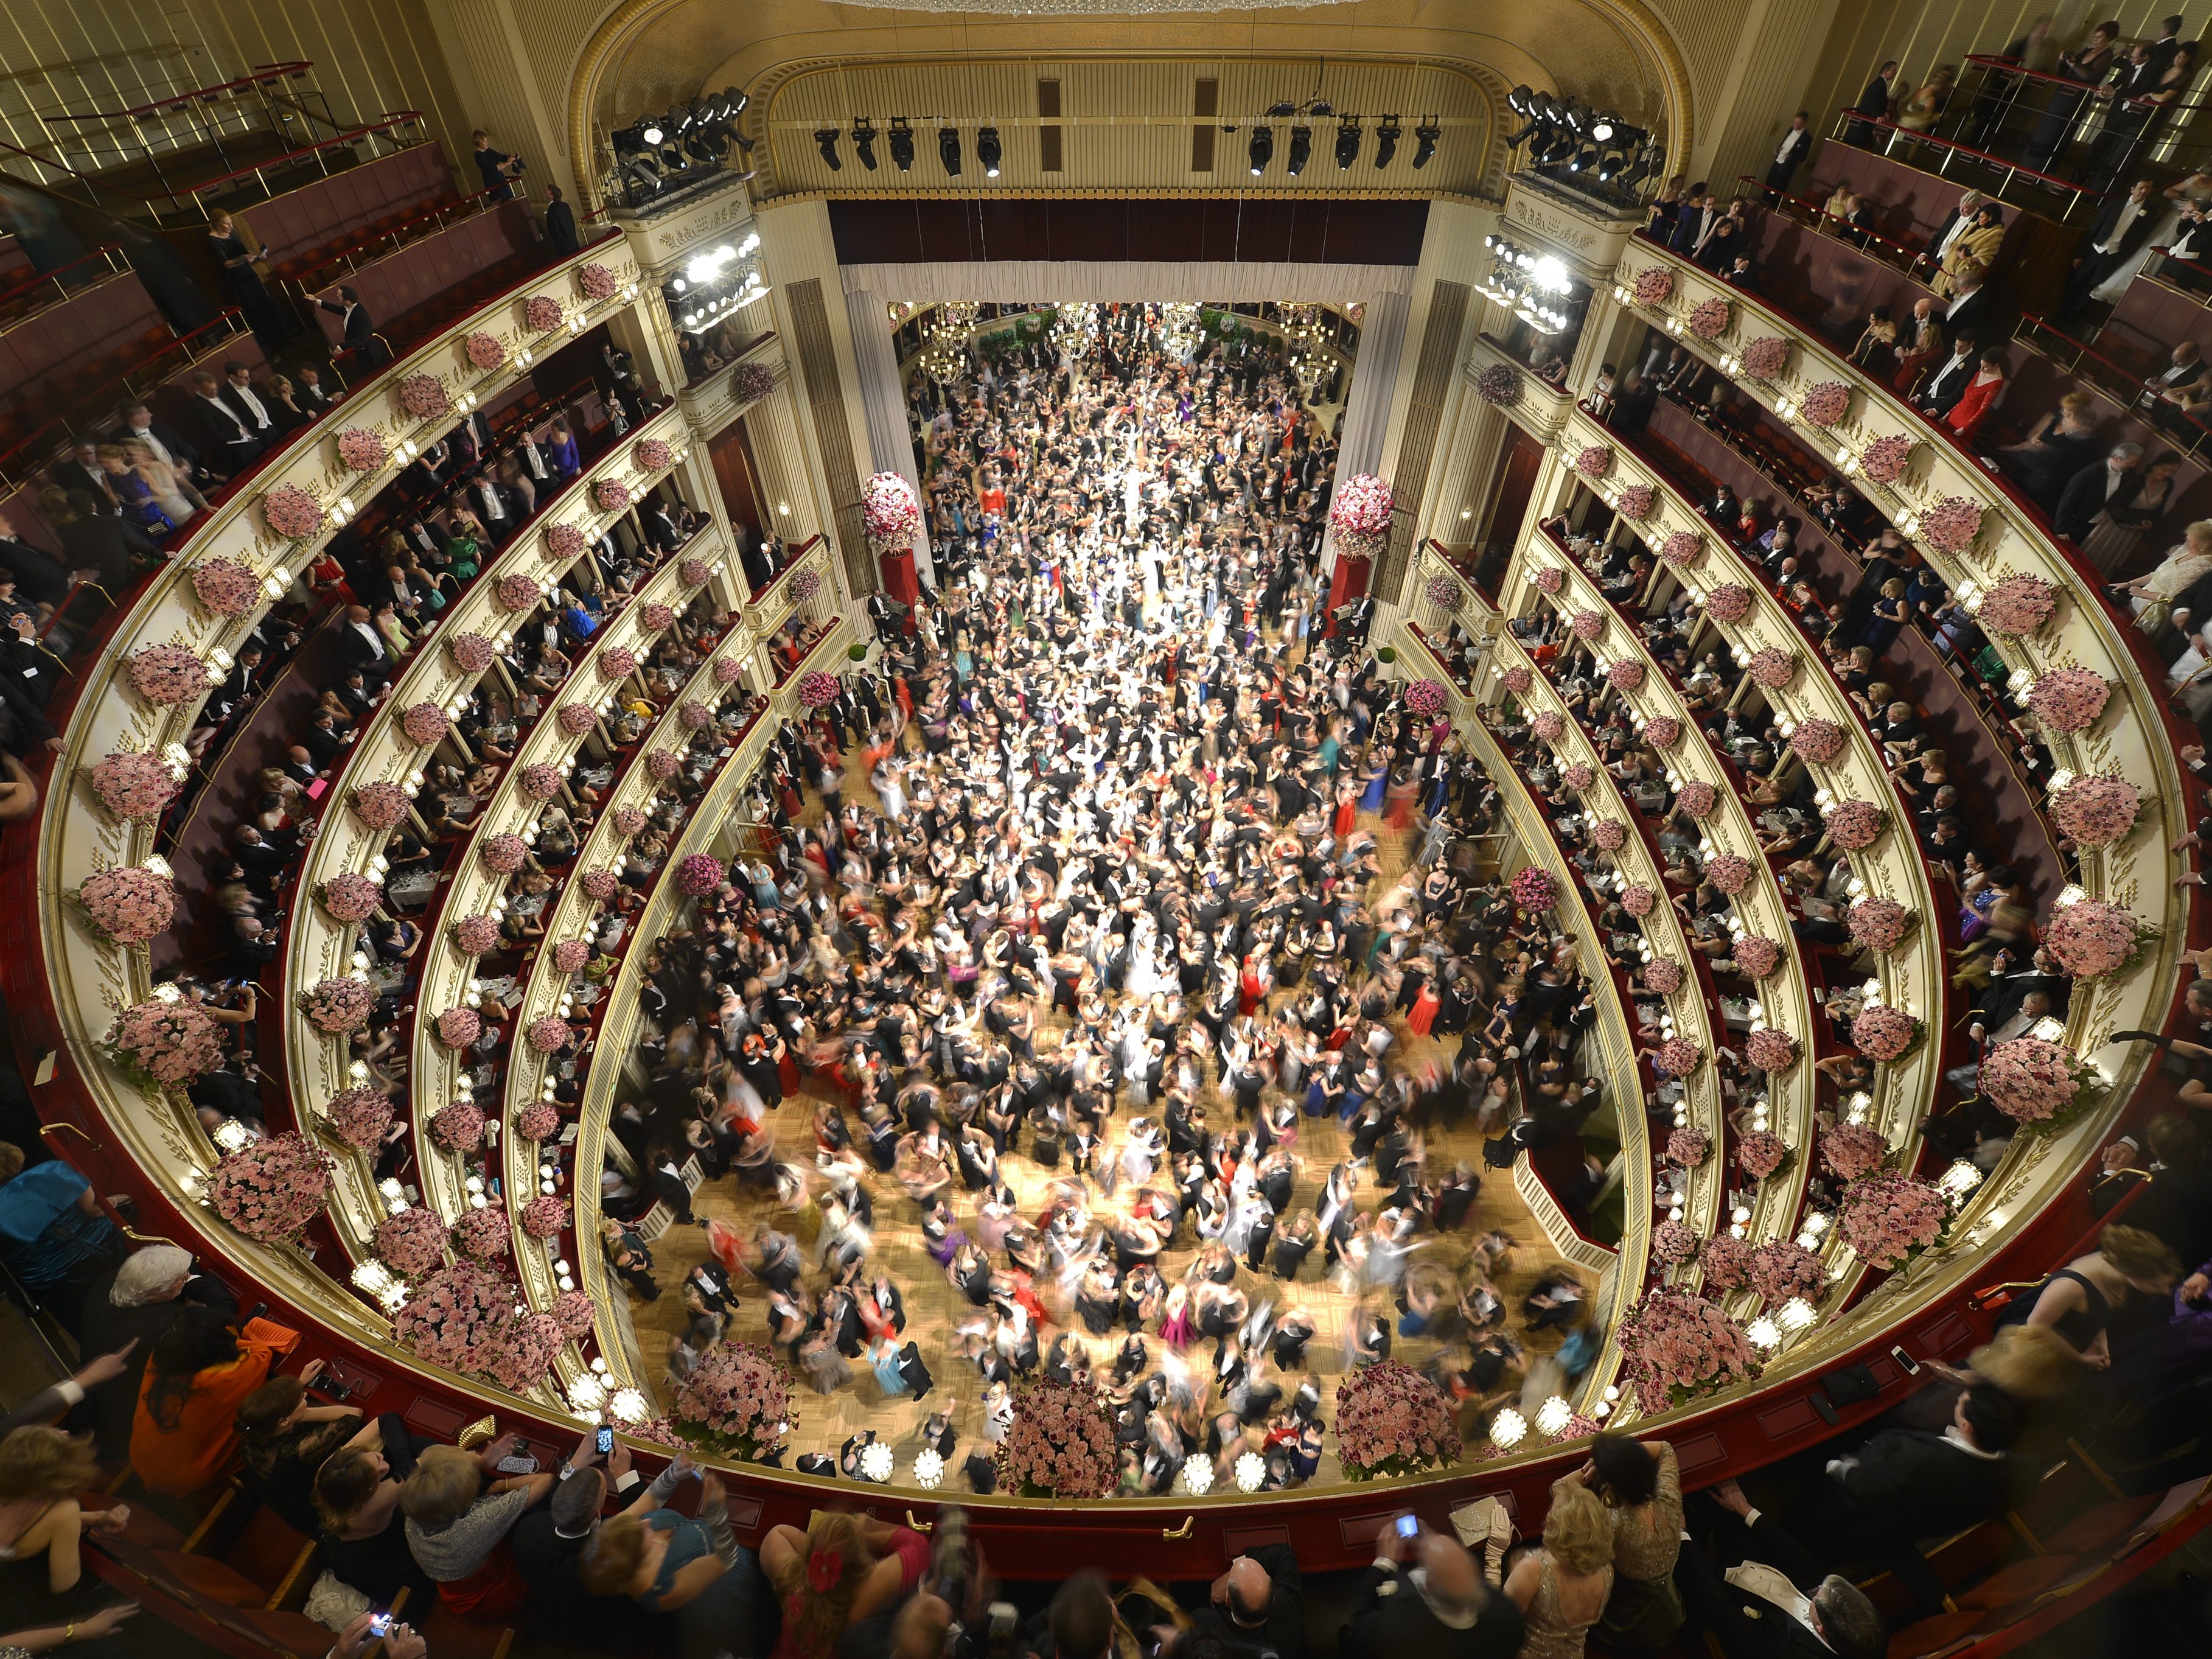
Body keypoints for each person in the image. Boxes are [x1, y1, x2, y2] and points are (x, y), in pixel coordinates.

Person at [577, 1453, 763, 1659]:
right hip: (734, 1587)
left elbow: (652, 1498)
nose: (645, 1522)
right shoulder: (662, 1592)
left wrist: (672, 1474)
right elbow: (726, 1559)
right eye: (642, 1532)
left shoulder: (615, 1536)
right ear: (636, 1565)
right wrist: (717, 1513)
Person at [1676, 1480, 1886, 1659]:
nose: (1814, 1589)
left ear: (1820, 1627)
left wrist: (1682, 1534)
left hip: (1721, 1588)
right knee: (1716, 1482)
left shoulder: (1779, 1652)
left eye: (1815, 1596)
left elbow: (1719, 1607)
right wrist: (1745, 1509)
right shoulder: (1865, 1631)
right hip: (1759, 1560)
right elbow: (1802, 1560)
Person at [75, 1246, 234, 1459]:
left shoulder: (108, 1283)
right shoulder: (167, 1324)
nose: (185, 1279)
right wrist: (194, 1307)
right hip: (124, 1422)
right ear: (156, 1293)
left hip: (91, 1400)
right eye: (181, 1279)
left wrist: (183, 1280)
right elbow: (224, 1307)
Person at [129, 1305, 298, 1497]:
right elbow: (261, 1353)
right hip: (183, 1477)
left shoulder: (163, 1355)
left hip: (142, 1456)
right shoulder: (227, 1376)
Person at [401, 1439, 555, 1618]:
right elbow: (546, 1480)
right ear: (463, 1501)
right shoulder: (477, 1523)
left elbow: (436, 1469)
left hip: (453, 1590)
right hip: (497, 1596)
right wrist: (501, 1485)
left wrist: (484, 1461)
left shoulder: (416, 1511)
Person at [0, 1425, 133, 1632]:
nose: (64, 1433)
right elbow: (63, 1587)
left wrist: (96, 1518)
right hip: (19, 1620)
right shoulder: (64, 1510)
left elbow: (36, 1521)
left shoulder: (14, 1490)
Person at [1342, 1515, 1524, 1659]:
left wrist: (1385, 1561)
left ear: (1428, 1587)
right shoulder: (1508, 1617)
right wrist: (1434, 1544)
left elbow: (1360, 1622)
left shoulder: (1396, 1630)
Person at [761, 1510, 931, 1658]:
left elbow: (778, 1533)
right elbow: (920, 1545)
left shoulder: (794, 1591)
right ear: (862, 1562)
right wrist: (865, 1529)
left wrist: (824, 1551)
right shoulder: (868, 1593)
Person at [0, 1145, 124, 1327]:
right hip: (103, 1250)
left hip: (54, 1280)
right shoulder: (54, 1171)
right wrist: (118, 1199)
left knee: (94, 1324)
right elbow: (95, 1211)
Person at [1583, 1435, 1682, 1648]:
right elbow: (1665, 1447)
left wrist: (1597, 1465)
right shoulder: (1669, 1498)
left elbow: (1559, 1487)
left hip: (1628, 1626)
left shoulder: (1612, 1522)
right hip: (1672, 1614)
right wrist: (1622, 1458)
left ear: (1611, 1483)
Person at [1505, 1481, 1614, 1659]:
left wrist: (1493, 1558)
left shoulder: (1532, 1570)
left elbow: (1501, 1627)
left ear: (1556, 1524)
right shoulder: (1607, 1570)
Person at [2062, 178, 2160, 318]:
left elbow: (2141, 237)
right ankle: (2060, 313)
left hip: (2114, 255)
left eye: (2149, 188)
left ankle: (2074, 317)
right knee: (2076, 282)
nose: (2145, 191)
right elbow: (2095, 228)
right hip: (2095, 250)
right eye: (2142, 187)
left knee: (2093, 289)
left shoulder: (2151, 210)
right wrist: (2080, 253)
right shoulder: (2115, 204)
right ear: (2133, 189)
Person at [1942, 348, 2009, 444]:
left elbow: (1983, 409)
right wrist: (1949, 413)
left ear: (1996, 366)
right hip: (1957, 413)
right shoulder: (1979, 373)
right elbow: (1966, 397)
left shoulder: (1996, 383)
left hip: (1967, 420)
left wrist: (1964, 428)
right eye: (1981, 365)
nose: (1981, 369)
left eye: (1986, 367)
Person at [317, 287, 390, 368]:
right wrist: (316, 301)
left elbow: (361, 340)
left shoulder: (360, 316)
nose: (337, 295)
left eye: (339, 295)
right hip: (363, 352)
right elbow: (336, 309)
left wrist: (341, 347)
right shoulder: (352, 307)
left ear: (348, 301)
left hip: (371, 354)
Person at [1844, 60, 1898, 147]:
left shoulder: (1880, 84)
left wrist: (1884, 112)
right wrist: (1878, 115)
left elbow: (1878, 102)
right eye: (1894, 70)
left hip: (1862, 127)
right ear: (1886, 72)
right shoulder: (1879, 85)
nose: (1896, 73)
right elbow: (1874, 102)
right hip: (1862, 127)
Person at [1765, 112, 1810, 193]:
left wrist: (1791, 156)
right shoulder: (1790, 130)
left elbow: (1803, 156)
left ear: (1804, 123)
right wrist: (1778, 150)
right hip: (1778, 161)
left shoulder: (1807, 138)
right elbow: (1785, 144)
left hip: (1787, 166)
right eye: (1795, 122)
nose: (1795, 125)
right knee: (1769, 183)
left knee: (1778, 188)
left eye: (1798, 123)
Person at [473, 130, 524, 200]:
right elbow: (493, 168)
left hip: (500, 179)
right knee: (501, 201)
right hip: (492, 182)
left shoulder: (489, 151)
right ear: (479, 143)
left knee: (509, 199)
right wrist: (507, 163)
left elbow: (501, 157)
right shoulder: (478, 156)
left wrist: (512, 158)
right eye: (485, 142)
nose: (487, 143)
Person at [544, 184, 580, 254]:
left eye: (547, 192)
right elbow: (572, 223)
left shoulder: (552, 209)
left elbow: (554, 230)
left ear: (552, 195)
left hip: (563, 245)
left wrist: (557, 245)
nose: (545, 193)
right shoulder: (565, 205)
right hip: (573, 240)